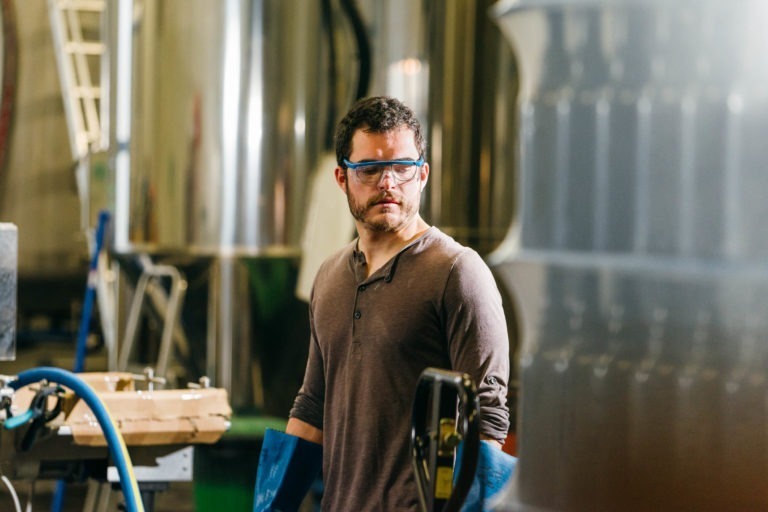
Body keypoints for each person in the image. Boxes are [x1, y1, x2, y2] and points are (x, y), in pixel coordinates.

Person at [287, 95, 510, 511]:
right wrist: (273, 504)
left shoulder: (458, 273)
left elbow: (487, 420)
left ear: (422, 175)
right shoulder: (330, 276)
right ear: (342, 178)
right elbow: (312, 405)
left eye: (402, 168)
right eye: (370, 169)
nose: (388, 183)